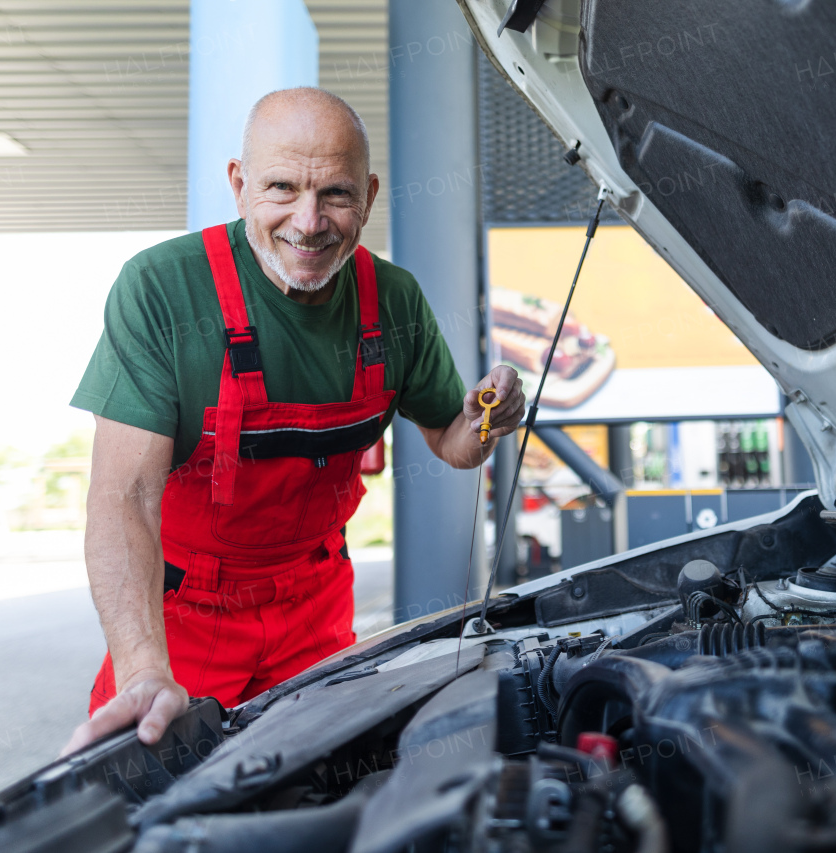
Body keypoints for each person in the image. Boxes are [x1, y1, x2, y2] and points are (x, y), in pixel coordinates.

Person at [61, 87, 523, 754]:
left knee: (326, 786)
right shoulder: (163, 289)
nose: (308, 222)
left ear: (367, 194)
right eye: (281, 188)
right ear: (239, 184)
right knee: (159, 799)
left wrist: (489, 416)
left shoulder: (395, 301)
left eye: (334, 193)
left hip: (315, 607)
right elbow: (122, 498)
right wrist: (140, 668)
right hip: (184, 621)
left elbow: (454, 443)